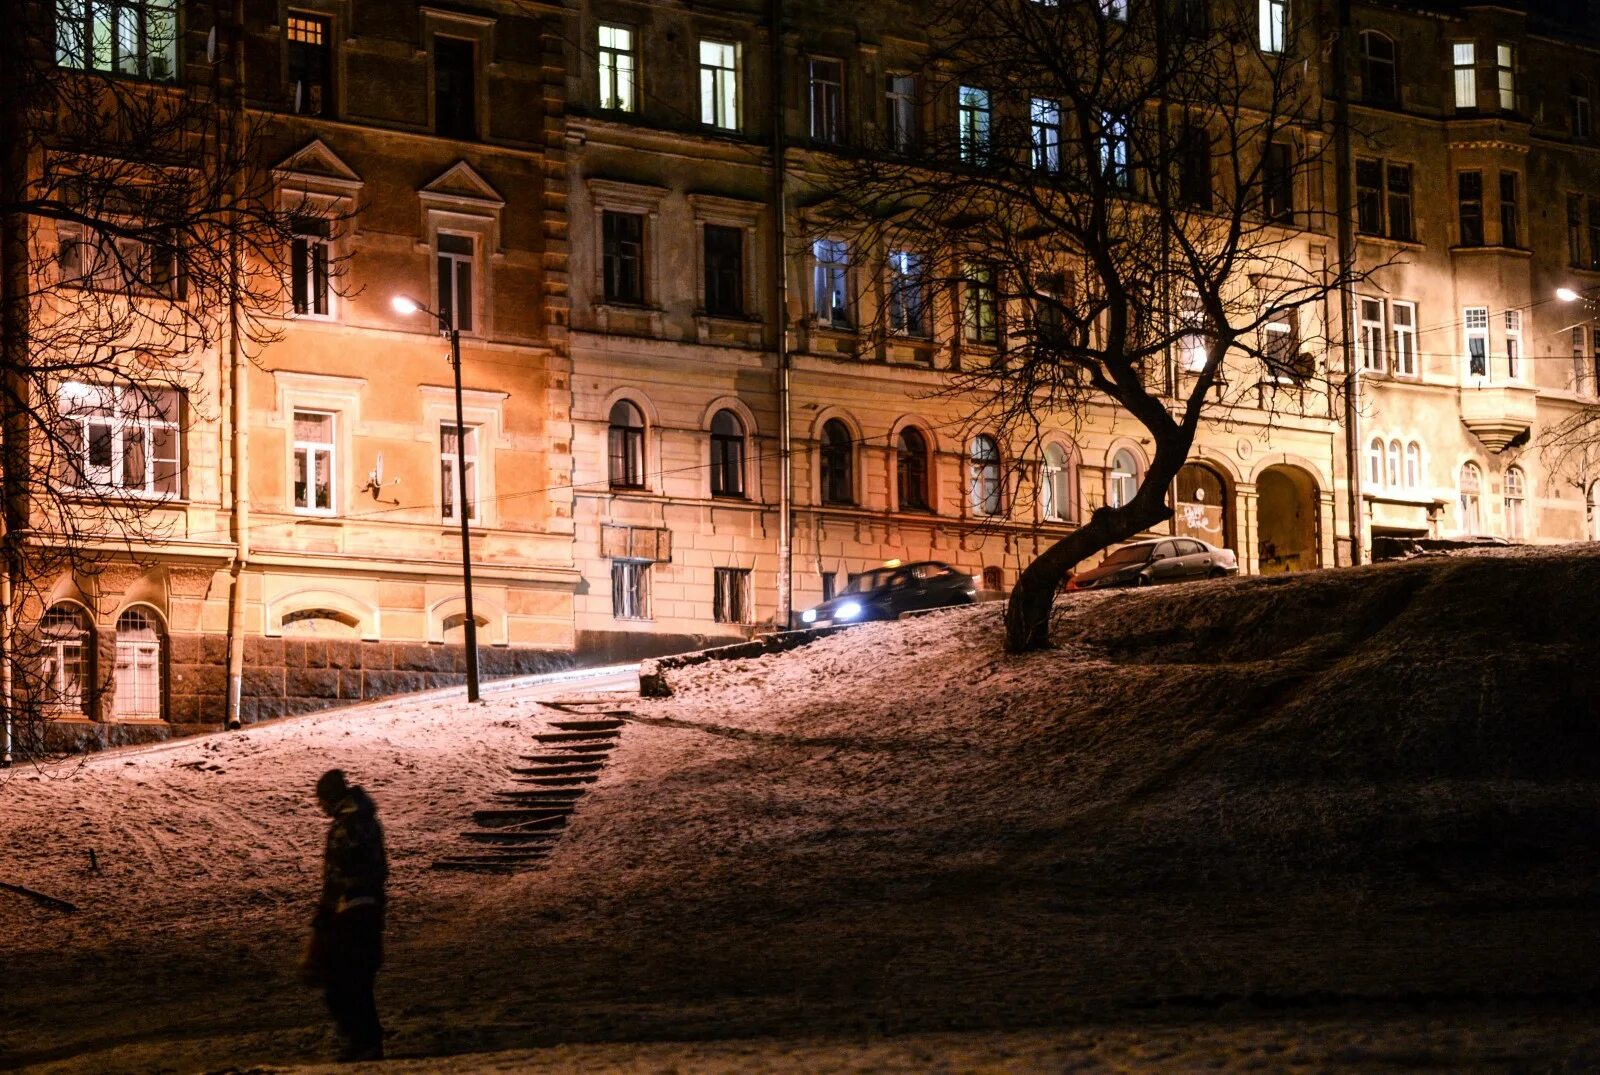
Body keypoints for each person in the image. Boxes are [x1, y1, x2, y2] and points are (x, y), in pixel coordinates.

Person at [304, 768, 388, 1062]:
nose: (320, 806)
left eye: (321, 800)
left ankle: (362, 1041)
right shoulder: (365, 820)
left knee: (343, 978)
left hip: (350, 909)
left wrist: (327, 912)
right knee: (358, 978)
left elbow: (339, 874)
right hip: (368, 906)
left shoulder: (347, 825)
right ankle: (366, 1040)